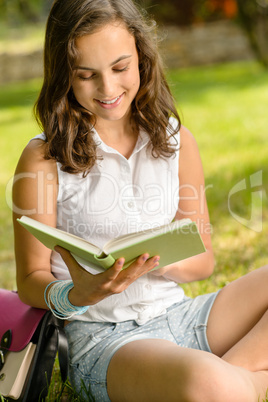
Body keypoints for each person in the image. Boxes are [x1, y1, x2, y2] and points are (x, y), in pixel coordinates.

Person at [12, 0, 268, 401]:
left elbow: (204, 262)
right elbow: (29, 280)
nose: (109, 89)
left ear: (142, 59)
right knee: (210, 385)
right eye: (86, 76)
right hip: (106, 341)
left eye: (120, 68)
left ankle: (231, 379)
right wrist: (79, 294)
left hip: (182, 316)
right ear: (64, 75)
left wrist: (155, 258)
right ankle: (237, 380)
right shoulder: (43, 159)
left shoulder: (176, 141)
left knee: (215, 381)